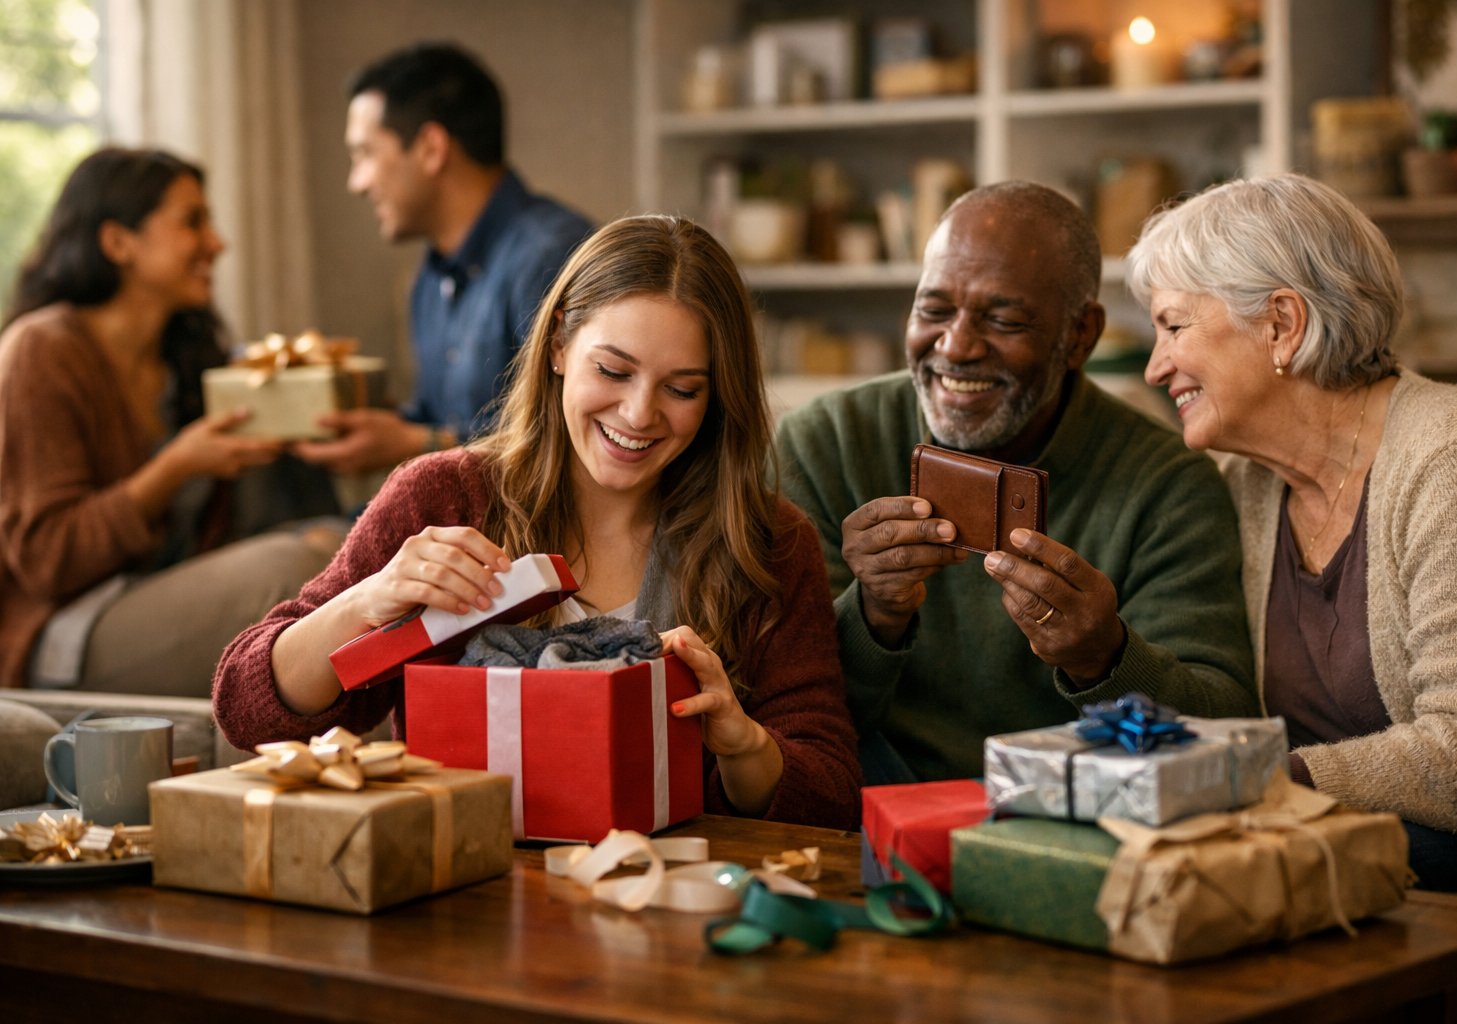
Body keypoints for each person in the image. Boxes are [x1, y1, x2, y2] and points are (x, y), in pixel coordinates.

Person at [214, 215, 862, 829]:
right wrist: (368, 601)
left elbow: (830, 793)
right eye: (612, 370)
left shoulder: (768, 544)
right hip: (462, 896)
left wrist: (744, 745)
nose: (639, 414)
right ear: (557, 346)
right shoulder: (444, 498)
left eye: (682, 388)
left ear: (719, 394)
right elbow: (248, 710)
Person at [1128, 173, 1457, 904]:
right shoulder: (1243, 485)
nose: (1156, 366)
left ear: (1281, 322)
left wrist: (1262, 782)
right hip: (1311, 881)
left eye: (1174, 326)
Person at [774, 181, 1257, 785]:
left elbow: (1225, 733)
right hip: (866, 817)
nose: (955, 346)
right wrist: (874, 614)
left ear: (1081, 335)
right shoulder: (827, 444)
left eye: (1003, 319)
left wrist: (1103, 658)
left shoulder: (1166, 485)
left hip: (1074, 825)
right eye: (933, 310)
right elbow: (788, 724)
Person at [0, 147, 341, 696]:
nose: (217, 243)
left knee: (344, 547)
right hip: (64, 629)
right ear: (117, 243)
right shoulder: (41, 351)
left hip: (159, 594)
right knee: (290, 568)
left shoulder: (186, 357)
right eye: (193, 222)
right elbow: (47, 559)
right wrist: (174, 468)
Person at [292, 42, 592, 477]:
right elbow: (446, 420)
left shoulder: (553, 254)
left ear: (432, 148)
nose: (356, 183)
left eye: (365, 154)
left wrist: (416, 444)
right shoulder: (429, 279)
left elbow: (574, 439)